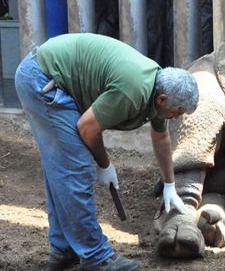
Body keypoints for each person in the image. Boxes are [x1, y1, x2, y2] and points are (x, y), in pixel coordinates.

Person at [14, 33, 199, 271]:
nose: (178, 117)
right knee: (75, 170)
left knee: (61, 169)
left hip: (50, 76)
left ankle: (64, 249)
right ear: (163, 100)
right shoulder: (133, 90)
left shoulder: (158, 86)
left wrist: (170, 184)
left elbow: (161, 137)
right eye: (179, 111)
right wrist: (104, 164)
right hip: (43, 80)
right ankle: (95, 256)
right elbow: (87, 127)